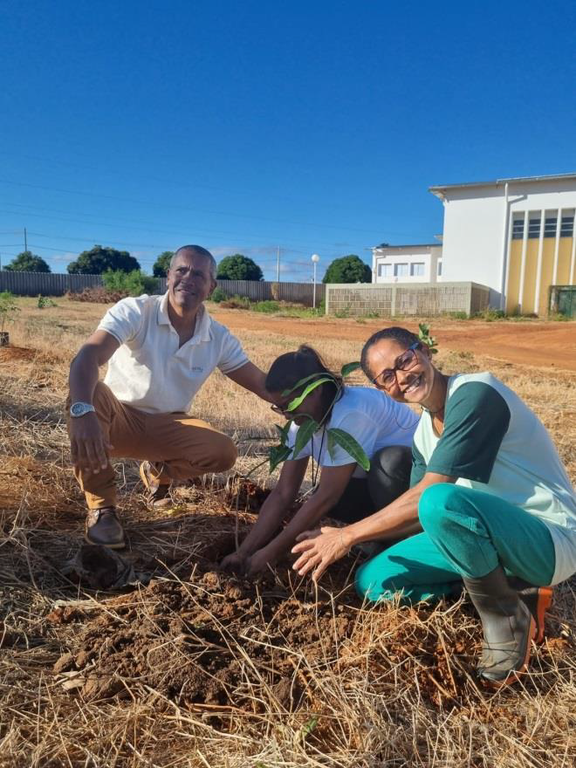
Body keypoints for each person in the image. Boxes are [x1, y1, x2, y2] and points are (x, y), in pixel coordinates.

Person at [291, 327, 576, 685]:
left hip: (547, 538)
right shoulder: (424, 433)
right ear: (383, 390)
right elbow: (417, 517)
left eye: (405, 360)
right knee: (375, 581)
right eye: (387, 376)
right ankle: (509, 590)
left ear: (424, 351)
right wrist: (365, 542)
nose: (403, 377)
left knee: (440, 501)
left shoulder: (476, 393)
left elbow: (431, 495)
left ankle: (505, 616)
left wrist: (347, 535)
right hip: (480, 533)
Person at [68, 244, 269, 549]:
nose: (188, 278)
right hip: (116, 420)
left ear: (211, 287)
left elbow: (258, 381)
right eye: (181, 270)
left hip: (168, 426)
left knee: (222, 451)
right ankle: (102, 510)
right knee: (90, 393)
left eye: (199, 274)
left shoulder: (217, 337)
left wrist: (303, 400)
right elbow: (87, 356)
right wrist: (82, 411)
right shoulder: (136, 311)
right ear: (168, 277)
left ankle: (157, 472)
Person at [221, 345, 419, 576]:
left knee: (387, 463)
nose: (286, 415)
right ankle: (375, 538)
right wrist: (244, 552)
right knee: (328, 496)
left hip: (409, 486)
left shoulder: (351, 413)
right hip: (372, 490)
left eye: (290, 405)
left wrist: (271, 553)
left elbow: (327, 496)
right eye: (279, 408)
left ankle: (399, 540)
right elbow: (284, 492)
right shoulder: (301, 423)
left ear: (314, 391)